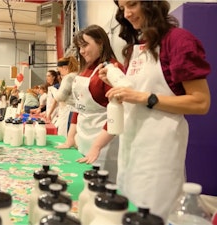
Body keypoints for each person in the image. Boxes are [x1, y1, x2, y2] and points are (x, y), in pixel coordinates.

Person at [98, 0, 211, 220]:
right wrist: (117, 84)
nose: (127, 13)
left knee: (153, 215)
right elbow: (137, 93)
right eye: (122, 8)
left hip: (160, 153)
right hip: (131, 148)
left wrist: (144, 97)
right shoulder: (138, 48)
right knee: (130, 210)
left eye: (132, 4)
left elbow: (201, 102)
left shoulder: (178, 41)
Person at [72, 24, 124, 183]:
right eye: (79, 47)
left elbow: (118, 113)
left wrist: (97, 146)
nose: (81, 51)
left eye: (85, 45)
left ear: (101, 42)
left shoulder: (112, 70)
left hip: (105, 143)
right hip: (83, 139)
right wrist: (70, 137)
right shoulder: (86, 68)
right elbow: (78, 106)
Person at [47, 56, 79, 137]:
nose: (60, 73)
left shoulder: (68, 77)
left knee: (64, 136)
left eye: (59, 70)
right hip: (75, 110)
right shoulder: (78, 75)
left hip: (68, 110)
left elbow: (60, 96)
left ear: (65, 68)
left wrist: (54, 92)